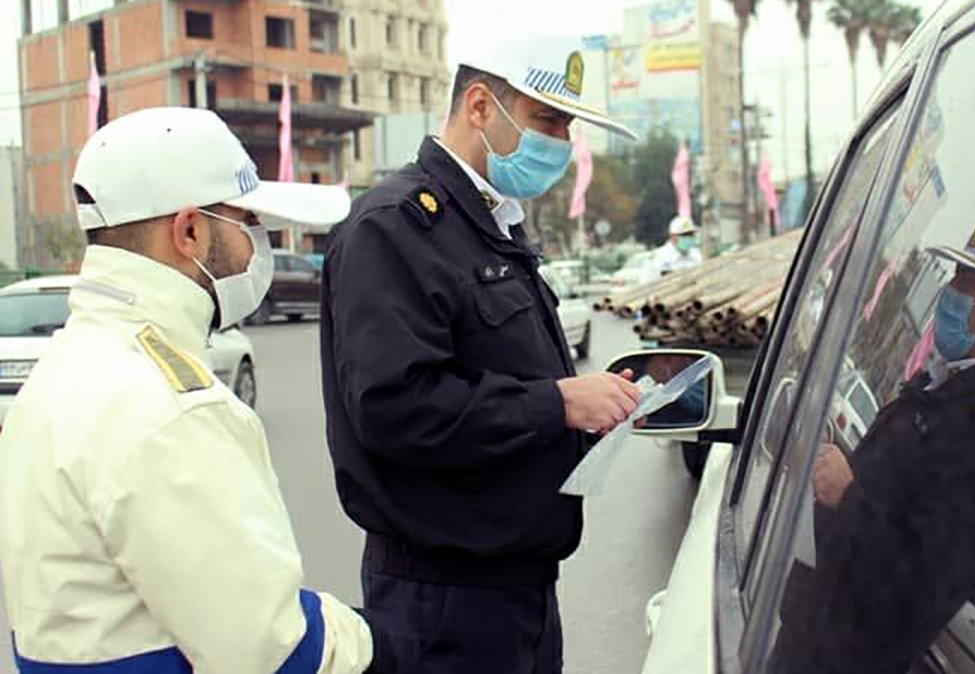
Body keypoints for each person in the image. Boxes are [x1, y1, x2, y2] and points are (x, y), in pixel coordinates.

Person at [0, 108, 406, 671]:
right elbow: (273, 651)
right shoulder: (171, 408)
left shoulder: (63, 370)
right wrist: (376, 642)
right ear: (189, 231)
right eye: (248, 223)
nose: (256, 247)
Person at [320, 49, 642, 674]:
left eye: (568, 127)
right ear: (479, 106)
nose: (562, 142)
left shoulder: (492, 228)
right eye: (547, 121)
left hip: (517, 590)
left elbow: (507, 374)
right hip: (444, 605)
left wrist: (580, 407)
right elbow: (396, 408)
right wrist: (559, 402)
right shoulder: (396, 228)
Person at [771, 204, 975, 674]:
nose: (950, 292)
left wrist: (846, 497)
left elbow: (924, 582)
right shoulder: (935, 388)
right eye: (956, 276)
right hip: (808, 643)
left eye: (969, 283)